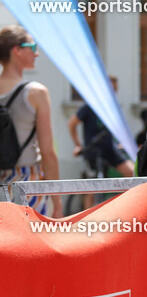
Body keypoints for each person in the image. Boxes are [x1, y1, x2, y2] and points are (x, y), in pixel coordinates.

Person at [0, 25, 61, 216]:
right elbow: (48, 152)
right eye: (33, 48)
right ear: (17, 50)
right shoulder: (36, 93)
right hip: (26, 182)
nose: (37, 54)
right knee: (28, 243)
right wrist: (57, 201)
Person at [68, 76, 135, 208]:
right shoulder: (90, 105)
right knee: (93, 188)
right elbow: (72, 124)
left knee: (133, 173)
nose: (113, 93)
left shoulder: (112, 107)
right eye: (111, 89)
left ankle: (131, 208)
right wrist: (78, 145)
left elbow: (117, 128)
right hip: (93, 150)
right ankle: (88, 221)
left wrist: (122, 143)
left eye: (115, 90)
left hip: (110, 148)